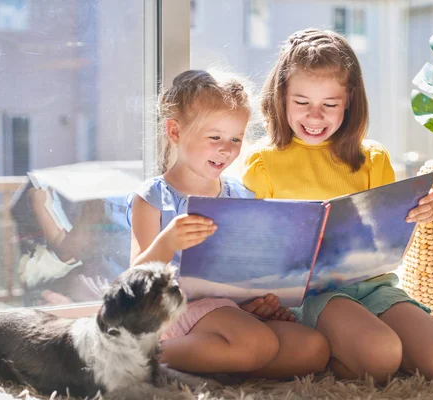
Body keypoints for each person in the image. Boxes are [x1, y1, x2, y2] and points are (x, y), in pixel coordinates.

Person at [242, 28, 433, 384]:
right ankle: (333, 351)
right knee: (380, 357)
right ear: (281, 97)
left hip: (373, 284)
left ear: (349, 100)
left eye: (329, 104)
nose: (315, 117)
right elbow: (254, 246)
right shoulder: (263, 161)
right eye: (301, 103)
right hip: (310, 293)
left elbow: (387, 234)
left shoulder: (372, 157)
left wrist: (419, 212)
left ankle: (357, 342)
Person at [128, 69, 330, 379]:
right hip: (175, 312)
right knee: (258, 343)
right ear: (175, 132)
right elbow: (133, 283)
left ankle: (217, 359)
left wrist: (259, 302)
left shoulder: (239, 193)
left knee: (312, 348)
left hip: (227, 312)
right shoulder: (153, 197)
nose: (227, 149)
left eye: (236, 138)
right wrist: (167, 242)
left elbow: (250, 267)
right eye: (215, 137)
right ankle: (138, 359)